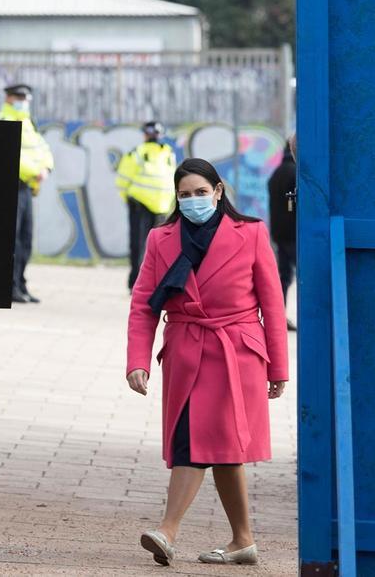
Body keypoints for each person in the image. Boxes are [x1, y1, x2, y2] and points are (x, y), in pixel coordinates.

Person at [125, 158, 289, 567]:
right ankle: (243, 541)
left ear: (218, 191)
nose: (193, 200)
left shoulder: (250, 233)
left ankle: (168, 530)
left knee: (216, 444)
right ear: (176, 198)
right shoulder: (161, 238)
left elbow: (272, 301)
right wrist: (136, 360)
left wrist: (279, 368)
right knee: (207, 442)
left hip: (237, 352)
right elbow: (145, 305)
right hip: (186, 349)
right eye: (185, 194)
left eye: (201, 192)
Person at [0, 84, 54, 304]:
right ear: (8, 98)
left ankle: (20, 283)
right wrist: (34, 172)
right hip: (11, 185)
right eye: (19, 97)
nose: (23, 101)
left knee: (25, 239)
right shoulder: (2, 120)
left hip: (27, 188)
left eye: (25, 98)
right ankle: (9, 287)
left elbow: (43, 150)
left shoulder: (30, 124)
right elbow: (8, 153)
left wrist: (46, 168)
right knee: (12, 239)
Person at [116, 121, 177, 291]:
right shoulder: (139, 153)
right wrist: (129, 199)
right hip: (141, 205)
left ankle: (153, 284)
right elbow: (123, 180)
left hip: (161, 206)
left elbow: (122, 180)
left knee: (154, 247)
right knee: (140, 246)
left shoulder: (167, 154)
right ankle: (136, 283)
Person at [266, 134, 297, 330]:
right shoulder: (295, 172)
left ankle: (280, 316)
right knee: (303, 276)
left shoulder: (275, 173)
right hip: (294, 234)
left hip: (279, 233)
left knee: (283, 276)